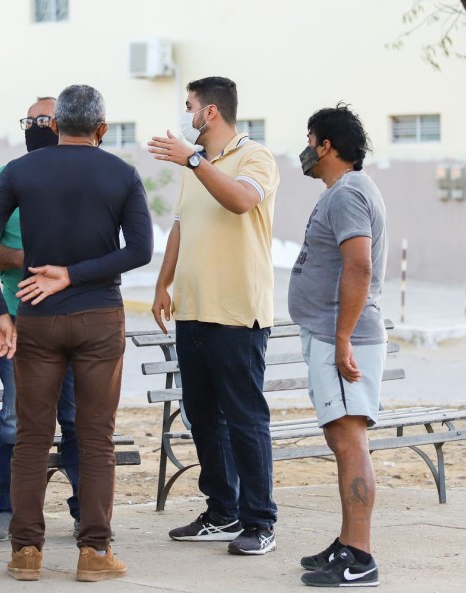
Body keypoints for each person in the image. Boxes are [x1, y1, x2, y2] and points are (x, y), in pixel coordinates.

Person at [0, 84, 152, 582]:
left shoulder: (20, 171)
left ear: (55, 125)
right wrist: (74, 274)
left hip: (35, 315)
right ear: (101, 128)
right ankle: (94, 553)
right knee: (96, 439)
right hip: (98, 316)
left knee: (31, 436)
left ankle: (25, 551)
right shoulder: (122, 173)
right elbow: (139, 251)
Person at [148, 76, 279, 555]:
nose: (185, 115)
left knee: (245, 418)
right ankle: (222, 512)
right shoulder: (193, 167)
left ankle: (260, 520)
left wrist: (193, 159)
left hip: (237, 312)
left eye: (190, 107)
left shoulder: (255, 157)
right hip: (193, 309)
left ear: (210, 113)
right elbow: (181, 226)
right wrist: (163, 283)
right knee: (202, 417)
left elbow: (242, 200)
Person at [289, 104, 386, 588]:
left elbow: (359, 267)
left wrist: (342, 338)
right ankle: (348, 543)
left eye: (310, 140)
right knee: (343, 441)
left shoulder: (348, 193)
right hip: (332, 335)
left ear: (327, 145)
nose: (305, 150)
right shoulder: (343, 191)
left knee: (350, 443)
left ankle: (360, 558)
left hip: (340, 337)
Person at [0, 96, 82, 543]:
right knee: (14, 420)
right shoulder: (4, 179)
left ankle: (86, 511)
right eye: (31, 120)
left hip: (76, 321)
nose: (37, 126)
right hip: (18, 321)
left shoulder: (85, 176)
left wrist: (66, 271)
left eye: (47, 120)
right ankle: (10, 510)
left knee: (77, 419)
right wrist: (38, 263)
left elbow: (99, 253)